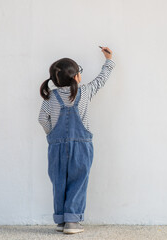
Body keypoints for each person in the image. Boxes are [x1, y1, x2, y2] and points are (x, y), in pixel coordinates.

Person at [38, 47, 115, 234]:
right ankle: (73, 221)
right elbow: (101, 80)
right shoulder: (86, 91)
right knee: (78, 181)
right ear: (76, 77)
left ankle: (62, 220)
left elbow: (42, 119)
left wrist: (52, 136)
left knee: (59, 182)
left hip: (56, 148)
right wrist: (109, 60)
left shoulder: (50, 97)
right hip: (81, 147)